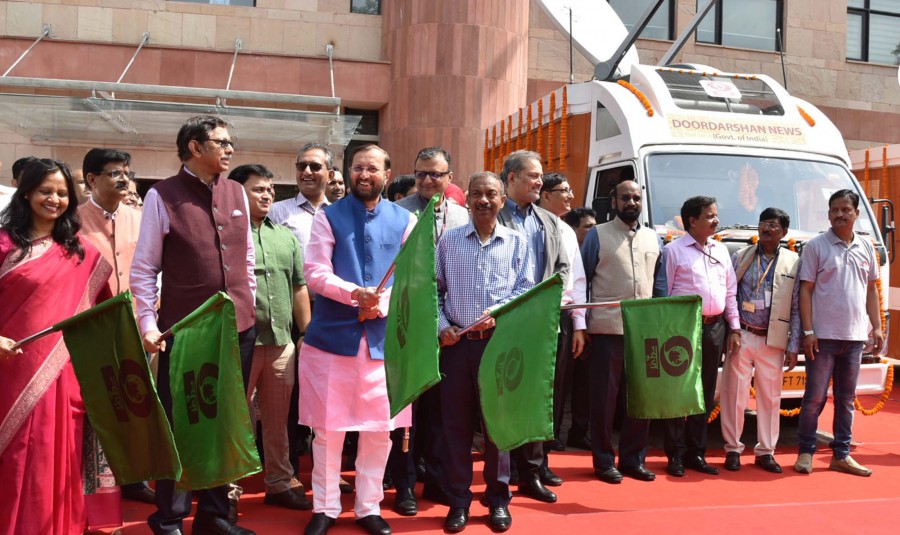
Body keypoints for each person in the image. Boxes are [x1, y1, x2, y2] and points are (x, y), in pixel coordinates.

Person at [131, 115, 257, 535]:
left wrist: (248, 303)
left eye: (230, 141)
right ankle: (169, 518)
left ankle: (214, 516)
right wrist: (148, 324)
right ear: (195, 147)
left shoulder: (236, 191)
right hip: (184, 333)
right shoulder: (162, 195)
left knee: (224, 422)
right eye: (221, 142)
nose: (230, 149)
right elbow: (144, 268)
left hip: (237, 329)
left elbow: (247, 258)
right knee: (181, 423)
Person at [298, 144, 414, 535]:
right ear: (348, 172)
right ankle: (325, 507)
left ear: (387, 174)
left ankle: (368, 507)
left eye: (372, 168)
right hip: (332, 340)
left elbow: (414, 278)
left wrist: (380, 304)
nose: (364, 175)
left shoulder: (406, 220)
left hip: (385, 343)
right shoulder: (328, 216)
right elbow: (315, 272)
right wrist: (354, 294)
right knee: (327, 431)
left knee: (379, 430)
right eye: (358, 168)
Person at [0, 158, 113, 535]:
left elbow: (102, 315)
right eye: (45, 191)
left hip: (64, 376)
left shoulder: (83, 252)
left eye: (62, 193)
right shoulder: (4, 244)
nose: (54, 199)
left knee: (55, 455)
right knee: (15, 458)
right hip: (8, 372)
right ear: (26, 193)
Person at [437, 171, 527, 533]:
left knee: (497, 427)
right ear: (467, 199)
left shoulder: (517, 242)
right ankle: (458, 500)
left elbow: (525, 291)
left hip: (498, 347)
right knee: (455, 427)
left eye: (491, 194)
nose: (484, 200)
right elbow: (434, 291)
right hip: (457, 347)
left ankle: (498, 499)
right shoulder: (449, 241)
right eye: (476, 194)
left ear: (503, 200)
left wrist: (499, 313)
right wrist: (441, 327)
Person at [388, 146, 469, 516]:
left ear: (449, 177)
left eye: (436, 174)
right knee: (407, 413)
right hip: (407, 324)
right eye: (421, 173)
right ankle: (404, 484)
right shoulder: (397, 212)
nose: (427, 180)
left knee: (440, 411)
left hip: (449, 328)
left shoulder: (463, 217)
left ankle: (435, 479)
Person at [229, 164, 314, 509]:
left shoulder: (284, 236)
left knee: (279, 421)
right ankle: (228, 491)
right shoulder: (226, 235)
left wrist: (306, 333)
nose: (267, 195)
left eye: (270, 190)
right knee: (237, 421)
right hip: (239, 344)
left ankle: (279, 482)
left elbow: (299, 287)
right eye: (258, 189)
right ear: (237, 193)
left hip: (281, 345)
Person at [78, 147, 154, 515]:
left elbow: (153, 270)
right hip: (91, 329)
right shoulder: (73, 220)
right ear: (92, 179)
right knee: (97, 406)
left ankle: (134, 478)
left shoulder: (140, 218)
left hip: (137, 327)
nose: (123, 179)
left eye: (127, 172)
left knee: (136, 406)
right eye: (114, 173)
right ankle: (90, 484)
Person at [581, 180, 666, 484]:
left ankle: (633, 460)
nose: (632, 202)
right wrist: (581, 324)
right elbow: (582, 280)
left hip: (644, 331)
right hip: (607, 330)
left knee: (641, 398)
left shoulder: (654, 238)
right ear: (614, 202)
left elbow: (659, 284)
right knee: (604, 401)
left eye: (636, 198)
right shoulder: (597, 235)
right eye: (625, 198)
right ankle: (604, 461)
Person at [497, 150, 569, 503]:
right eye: (533, 175)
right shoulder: (492, 214)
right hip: (504, 323)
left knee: (537, 398)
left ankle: (531, 472)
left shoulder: (548, 220)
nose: (540, 181)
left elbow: (562, 268)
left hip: (541, 323)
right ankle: (501, 473)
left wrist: (548, 303)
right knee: (505, 396)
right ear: (511, 178)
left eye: (541, 176)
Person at [794, 189, 883, 477]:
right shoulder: (816, 246)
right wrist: (808, 330)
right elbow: (805, 290)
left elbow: (871, 290)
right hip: (822, 338)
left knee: (846, 399)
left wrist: (877, 326)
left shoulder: (866, 246)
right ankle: (806, 452)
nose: (839, 214)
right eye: (834, 210)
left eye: (845, 209)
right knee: (814, 398)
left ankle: (841, 455)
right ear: (829, 214)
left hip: (855, 338)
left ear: (857, 213)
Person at [663, 195, 740, 477]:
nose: (716, 220)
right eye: (709, 216)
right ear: (692, 220)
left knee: (705, 392)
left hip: (715, 328)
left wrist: (734, 327)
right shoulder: (673, 251)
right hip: (682, 330)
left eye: (716, 215)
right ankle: (675, 454)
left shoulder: (721, 251)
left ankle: (697, 452)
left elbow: (729, 293)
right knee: (678, 391)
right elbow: (664, 293)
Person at [720, 208, 801, 474]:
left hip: (772, 339)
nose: (766, 229)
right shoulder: (741, 256)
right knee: (734, 395)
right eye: (763, 223)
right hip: (742, 335)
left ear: (784, 232)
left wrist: (793, 346)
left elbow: (796, 307)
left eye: (773, 225)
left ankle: (766, 451)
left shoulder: (793, 261)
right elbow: (729, 296)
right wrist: (731, 330)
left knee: (770, 397)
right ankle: (733, 449)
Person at [535, 173, 587, 455]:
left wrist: (579, 325)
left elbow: (577, 281)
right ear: (545, 195)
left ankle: (546, 446)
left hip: (563, 314)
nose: (570, 196)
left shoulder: (567, 231)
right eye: (564, 190)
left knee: (558, 383)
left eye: (570, 190)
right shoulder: (529, 225)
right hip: (533, 315)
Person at [269, 142, 333, 253]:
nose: (306, 171)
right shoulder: (275, 211)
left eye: (315, 166)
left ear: (330, 176)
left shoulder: (339, 214)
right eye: (301, 166)